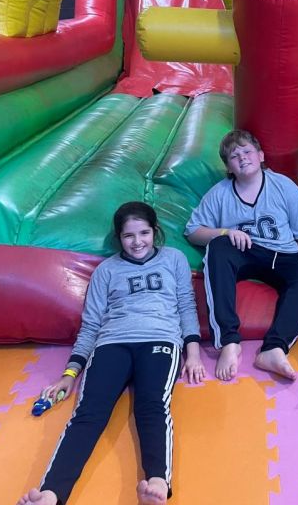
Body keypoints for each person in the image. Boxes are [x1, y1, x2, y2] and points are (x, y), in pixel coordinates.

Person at [18, 202, 205, 505]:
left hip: (159, 340)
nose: (137, 242)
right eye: (128, 235)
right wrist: (70, 374)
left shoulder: (174, 259)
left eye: (144, 233)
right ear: (119, 237)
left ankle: (158, 481)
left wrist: (193, 353)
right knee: (88, 413)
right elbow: (91, 326)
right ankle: (51, 493)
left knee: (152, 406)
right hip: (112, 344)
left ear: (155, 231)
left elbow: (186, 306)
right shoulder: (106, 271)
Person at [185, 130, 298, 382]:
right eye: (234, 156)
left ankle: (274, 349)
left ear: (261, 156)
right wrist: (225, 232)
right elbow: (193, 231)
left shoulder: (283, 186)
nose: (242, 158)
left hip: (283, 255)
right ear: (228, 167)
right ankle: (229, 341)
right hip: (244, 253)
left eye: (247, 151)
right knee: (218, 247)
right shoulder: (220, 193)